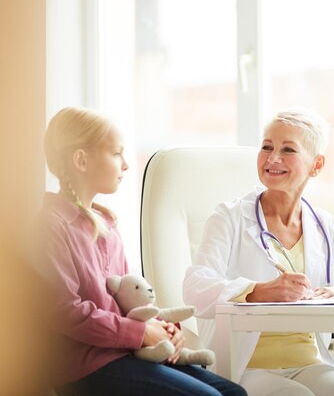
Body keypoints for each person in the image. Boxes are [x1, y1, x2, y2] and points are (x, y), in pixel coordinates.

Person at [183, 108, 334, 396]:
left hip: (309, 363)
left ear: (316, 164)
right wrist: (258, 291)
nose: (273, 158)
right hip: (248, 366)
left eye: (288, 149)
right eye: (267, 147)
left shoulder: (324, 225)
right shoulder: (229, 217)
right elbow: (195, 288)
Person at [39, 106, 247, 396]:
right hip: (87, 365)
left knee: (236, 393)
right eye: (116, 153)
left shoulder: (107, 223)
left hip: (126, 353)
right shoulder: (51, 225)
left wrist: (161, 327)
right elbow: (65, 311)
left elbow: (127, 298)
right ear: (81, 159)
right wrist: (142, 333)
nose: (125, 165)